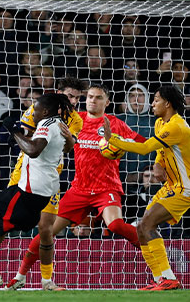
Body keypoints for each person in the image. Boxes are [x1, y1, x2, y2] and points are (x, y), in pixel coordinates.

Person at [10, 83, 146, 289]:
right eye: (90, 96)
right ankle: (20, 276)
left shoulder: (115, 123)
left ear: (107, 102)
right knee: (46, 231)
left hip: (106, 187)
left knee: (116, 225)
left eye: (98, 97)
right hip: (79, 189)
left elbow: (143, 144)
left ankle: (155, 257)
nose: (92, 100)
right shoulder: (75, 120)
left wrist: (132, 149)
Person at [0, 76, 85, 291]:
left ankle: (46, 281)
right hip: (24, 175)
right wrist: (20, 134)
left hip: (45, 177)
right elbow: (27, 134)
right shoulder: (43, 111)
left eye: (76, 97)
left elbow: (53, 146)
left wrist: (16, 132)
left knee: (45, 229)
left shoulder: (74, 120)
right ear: (58, 94)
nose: (72, 101)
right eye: (69, 96)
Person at [0, 94, 76, 292]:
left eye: (35, 110)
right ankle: (0, 274)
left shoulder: (48, 124)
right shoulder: (58, 123)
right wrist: (21, 134)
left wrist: (15, 132)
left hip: (31, 189)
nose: (31, 113)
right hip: (38, 189)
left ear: (45, 110)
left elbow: (34, 150)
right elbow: (65, 146)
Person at [102, 85, 190, 290]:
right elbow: (161, 150)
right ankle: (161, 279)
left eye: (156, 100)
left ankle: (169, 278)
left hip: (185, 188)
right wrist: (158, 165)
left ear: (167, 103)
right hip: (171, 185)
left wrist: (112, 139)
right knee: (141, 227)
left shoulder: (177, 126)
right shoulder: (161, 122)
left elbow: (145, 148)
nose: (152, 103)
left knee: (148, 224)